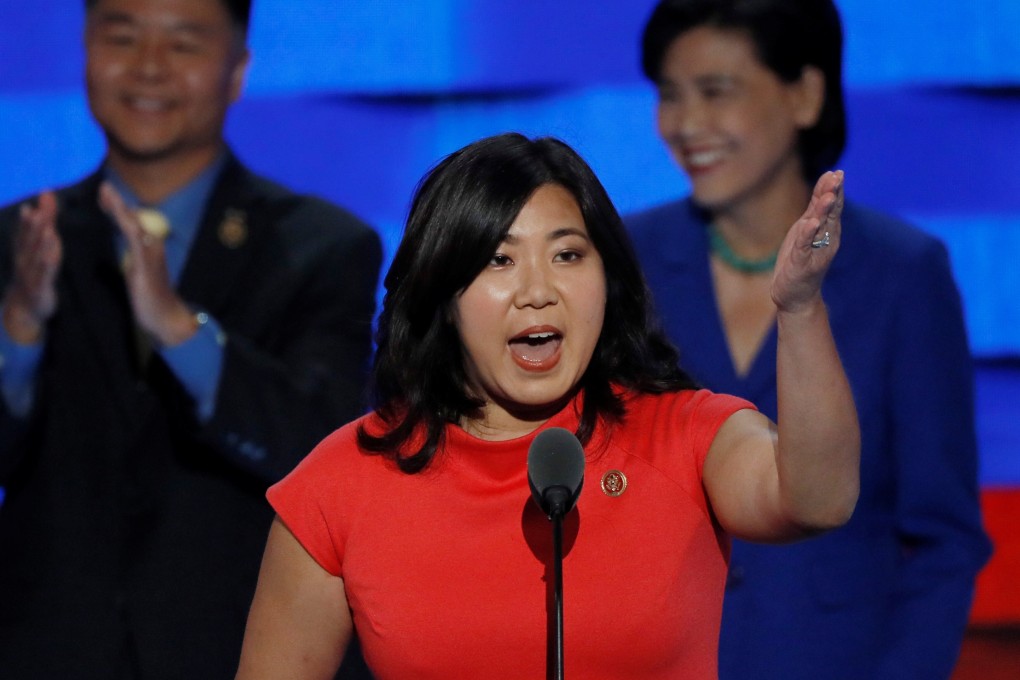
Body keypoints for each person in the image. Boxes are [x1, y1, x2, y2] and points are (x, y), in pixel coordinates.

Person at [234, 132, 859, 679]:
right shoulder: (342, 484)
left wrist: (800, 309)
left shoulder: (685, 434)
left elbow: (817, 498)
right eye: (499, 260)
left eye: (567, 255)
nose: (538, 292)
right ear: (441, 291)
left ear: (607, 279)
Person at [0, 0, 381, 677]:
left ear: (238, 70)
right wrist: (20, 331)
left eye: (183, 44)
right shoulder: (19, 242)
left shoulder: (323, 246)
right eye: (122, 36)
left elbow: (322, 449)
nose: (148, 68)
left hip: (241, 652)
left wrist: (180, 331)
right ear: (85, 51)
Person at [626, 1, 992, 678]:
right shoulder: (621, 261)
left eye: (716, 92)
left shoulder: (904, 272)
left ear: (805, 93)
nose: (685, 125)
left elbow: (944, 539)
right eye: (670, 96)